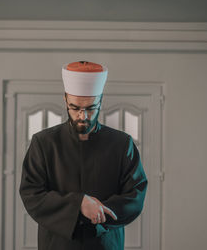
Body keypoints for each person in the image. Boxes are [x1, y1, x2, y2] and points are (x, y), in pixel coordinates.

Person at [19, 61, 148, 250]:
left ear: (101, 101)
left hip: (105, 244)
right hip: (57, 244)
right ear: (65, 100)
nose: (82, 116)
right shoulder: (44, 143)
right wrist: (78, 204)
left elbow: (135, 195)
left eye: (90, 108)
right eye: (75, 108)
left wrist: (98, 213)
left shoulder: (121, 144)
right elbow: (31, 194)